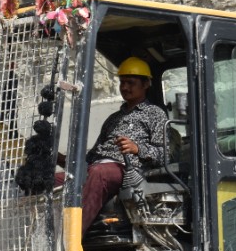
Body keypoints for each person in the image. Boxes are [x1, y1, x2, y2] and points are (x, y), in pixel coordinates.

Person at [62, 56, 168, 236]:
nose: (124, 87)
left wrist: (137, 148)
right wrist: (60, 160)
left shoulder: (155, 114)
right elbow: (91, 158)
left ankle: (70, 240)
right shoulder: (112, 119)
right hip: (97, 167)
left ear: (146, 84)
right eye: (122, 82)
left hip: (127, 170)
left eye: (131, 83)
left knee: (99, 173)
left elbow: (164, 155)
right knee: (54, 178)